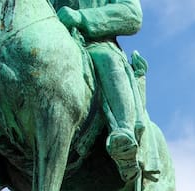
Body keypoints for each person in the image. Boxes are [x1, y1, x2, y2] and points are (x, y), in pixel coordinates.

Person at [57, 0, 143, 181]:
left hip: (95, 44)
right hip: (53, 46)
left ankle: (124, 138)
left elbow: (132, 14)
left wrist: (81, 17)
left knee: (107, 60)